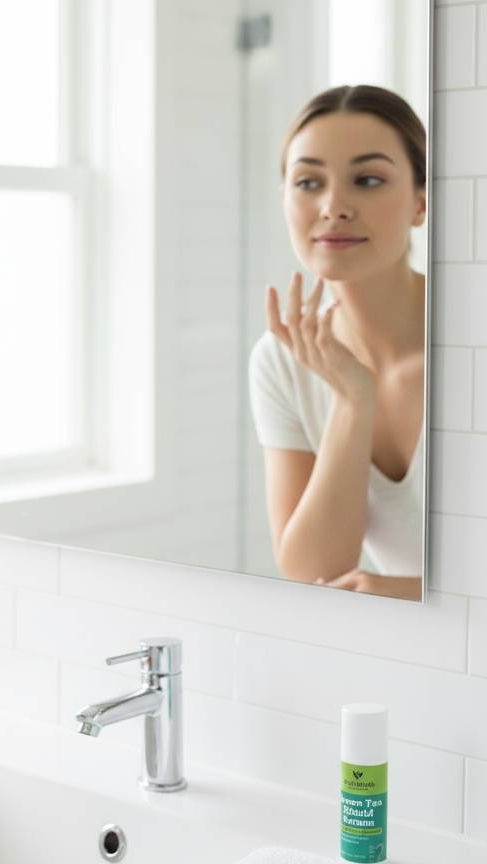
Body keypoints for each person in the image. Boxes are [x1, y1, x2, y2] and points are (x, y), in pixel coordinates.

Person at [249, 85, 426, 601]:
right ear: (285, 200)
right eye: (308, 182)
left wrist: (412, 592)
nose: (334, 207)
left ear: (421, 201)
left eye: (368, 180)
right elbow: (314, 573)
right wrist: (352, 400)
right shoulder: (281, 361)